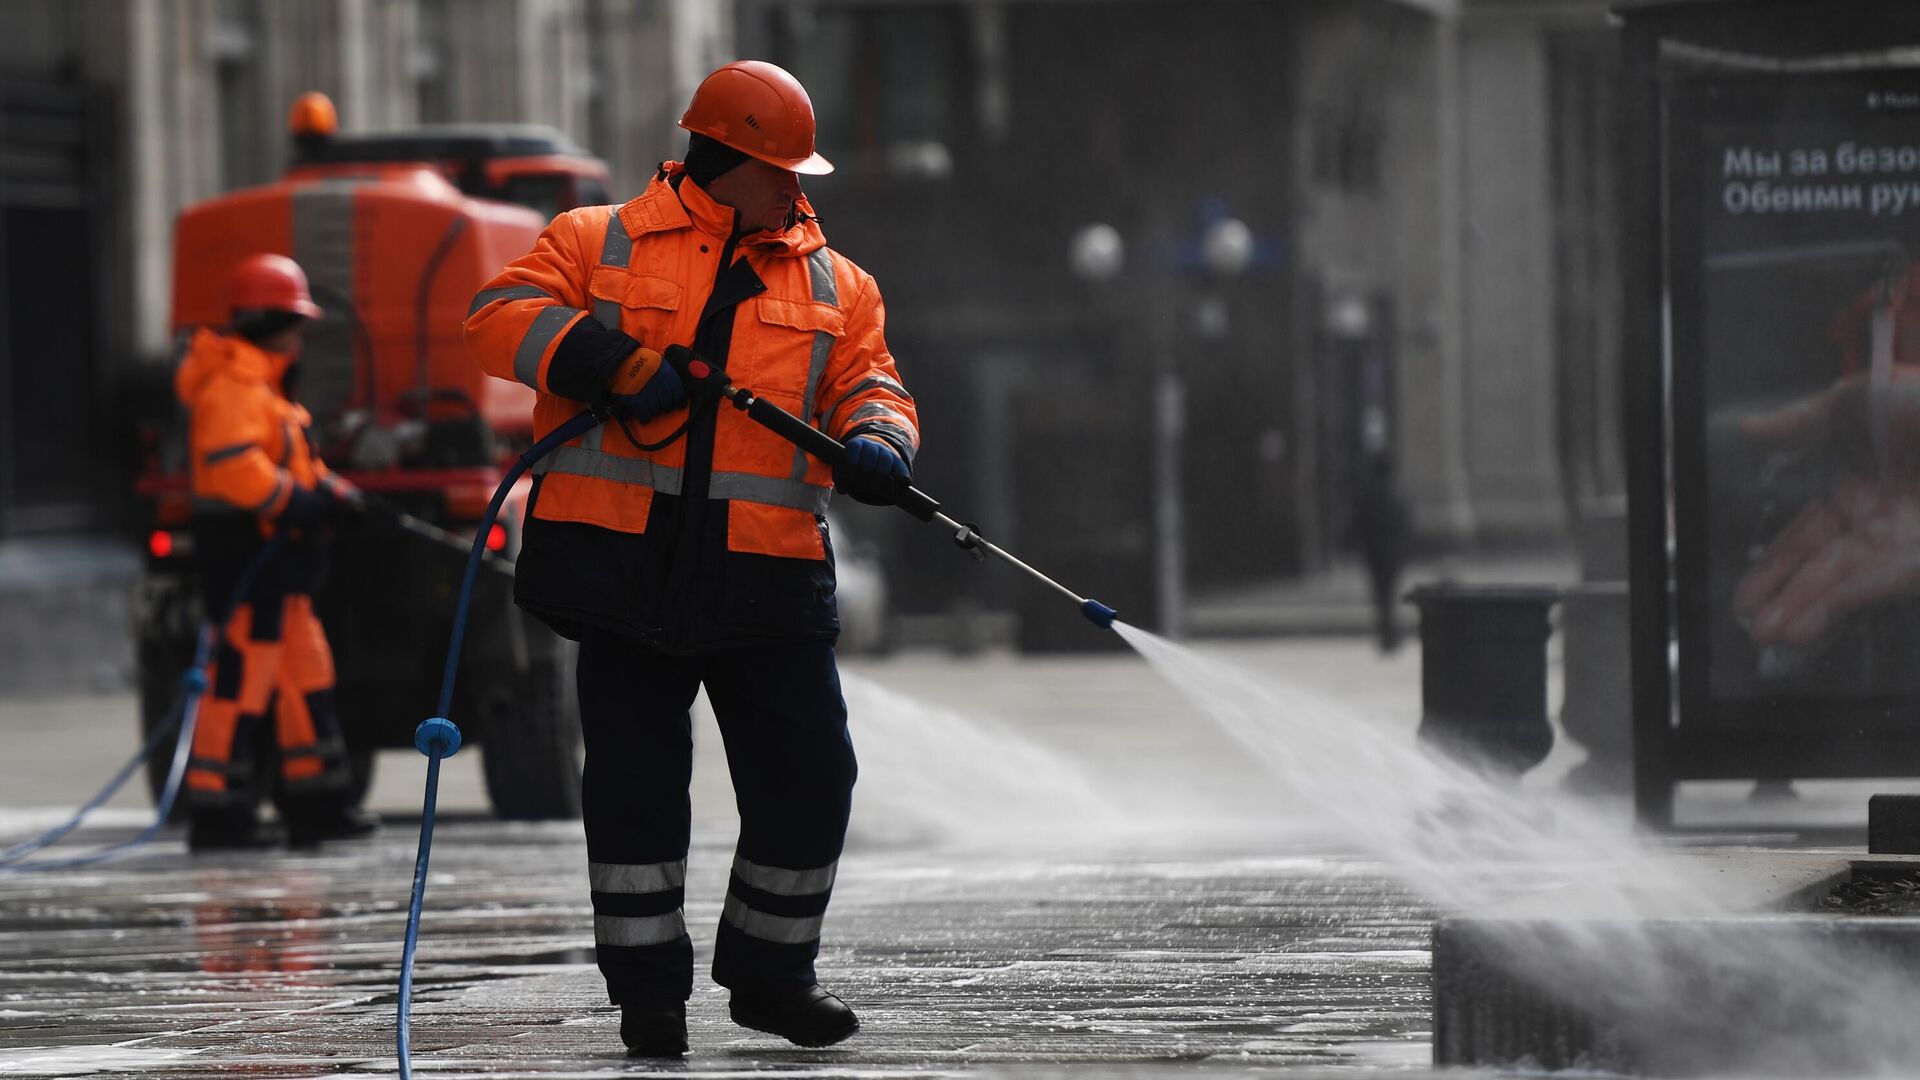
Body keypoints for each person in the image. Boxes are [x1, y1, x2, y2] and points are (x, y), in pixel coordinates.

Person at [465, 60, 919, 1058]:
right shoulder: (597, 240)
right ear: (734, 158)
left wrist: (881, 444)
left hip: (766, 575)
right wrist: (618, 365)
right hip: (622, 570)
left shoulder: (837, 282)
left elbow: (870, 382)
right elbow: (498, 317)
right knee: (633, 789)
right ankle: (648, 996)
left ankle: (769, 975)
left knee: (810, 779)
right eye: (784, 167)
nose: (800, 187)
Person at [175, 253, 379, 852]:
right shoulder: (235, 384)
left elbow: (296, 462)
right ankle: (219, 816)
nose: (300, 336)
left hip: (281, 579)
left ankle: (318, 807)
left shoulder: (264, 385)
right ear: (268, 321)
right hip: (250, 570)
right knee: (237, 688)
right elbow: (237, 469)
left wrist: (337, 494)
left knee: (306, 683)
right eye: (293, 322)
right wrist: (297, 503)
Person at [1347, 454, 1412, 653]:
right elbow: (1405, 525)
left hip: (1375, 553)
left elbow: (1359, 524)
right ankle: (1389, 634)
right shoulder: (1395, 495)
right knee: (1389, 593)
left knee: (1381, 594)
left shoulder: (1369, 496)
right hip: (1392, 553)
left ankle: (1387, 634)